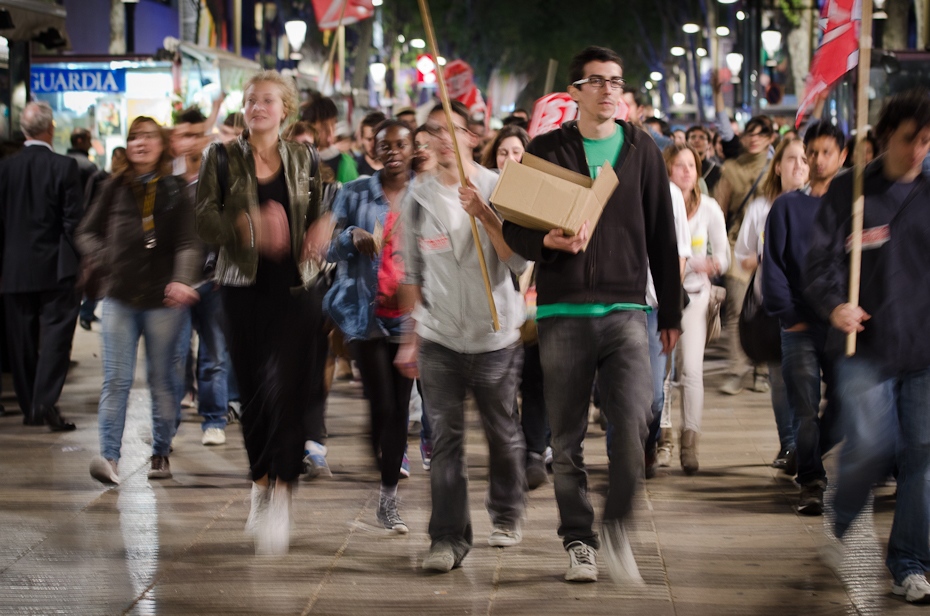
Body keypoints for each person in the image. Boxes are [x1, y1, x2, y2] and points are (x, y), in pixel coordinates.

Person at [503, 46, 682, 585]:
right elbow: (514, 231)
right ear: (576, 92)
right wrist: (547, 239)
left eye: (617, 82)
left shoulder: (642, 151)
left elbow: (662, 236)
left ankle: (618, 526)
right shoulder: (547, 148)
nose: (610, 91)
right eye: (598, 82)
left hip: (627, 309)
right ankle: (578, 539)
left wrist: (671, 308)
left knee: (635, 421)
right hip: (563, 311)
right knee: (567, 438)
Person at [196, 70, 328, 555]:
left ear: (285, 110)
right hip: (241, 288)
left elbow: (321, 205)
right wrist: (244, 223)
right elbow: (203, 219)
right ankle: (260, 482)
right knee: (252, 393)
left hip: (296, 288)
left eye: (267, 100)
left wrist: (323, 226)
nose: (257, 107)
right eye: (251, 99)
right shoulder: (221, 157)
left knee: (291, 392)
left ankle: (284, 495)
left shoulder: (303, 156)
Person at [807, 89, 930, 604]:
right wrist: (835, 304)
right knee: (873, 445)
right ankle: (841, 518)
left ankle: (910, 562)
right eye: (909, 140)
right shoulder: (851, 190)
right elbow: (819, 265)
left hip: (923, 350)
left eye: (926, 141)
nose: (918, 151)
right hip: (865, 349)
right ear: (883, 137)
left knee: (922, 456)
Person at [396, 100, 528, 573]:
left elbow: (518, 262)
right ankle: (448, 538)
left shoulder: (498, 187)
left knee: (502, 434)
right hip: (440, 339)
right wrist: (412, 335)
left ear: (472, 137)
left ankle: (507, 511)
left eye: (450, 128)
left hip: (496, 339)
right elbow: (412, 270)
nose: (439, 137)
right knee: (445, 441)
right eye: (431, 130)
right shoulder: (417, 198)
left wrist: (488, 215)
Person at [77, 115, 201, 483]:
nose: (140, 143)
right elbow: (85, 232)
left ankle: (160, 452)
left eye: (148, 137)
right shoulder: (112, 186)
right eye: (134, 138)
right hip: (119, 299)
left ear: (161, 144)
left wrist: (182, 278)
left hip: (163, 301)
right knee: (116, 380)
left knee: (163, 380)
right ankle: (109, 459)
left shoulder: (176, 188)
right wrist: (105, 258)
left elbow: (189, 241)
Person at [325, 119, 415, 532]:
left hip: (410, 316)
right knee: (382, 406)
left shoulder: (425, 193)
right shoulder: (356, 192)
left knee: (398, 408)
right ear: (374, 150)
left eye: (401, 144)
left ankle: (388, 497)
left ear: (413, 149)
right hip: (365, 313)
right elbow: (327, 243)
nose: (393, 151)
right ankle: (383, 461)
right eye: (385, 145)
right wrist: (352, 237)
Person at [0, 101, 83, 430]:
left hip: (14, 268)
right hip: (57, 268)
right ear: (51, 129)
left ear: (23, 131)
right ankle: (44, 403)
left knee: (20, 342)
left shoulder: (5, 169)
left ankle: (30, 406)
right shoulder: (65, 167)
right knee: (56, 340)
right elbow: (73, 222)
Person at [734, 137, 809, 476]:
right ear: (777, 166)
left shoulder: (819, 205)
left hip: (811, 307)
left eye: (804, 160)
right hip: (773, 308)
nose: (799, 166)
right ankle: (789, 442)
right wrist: (767, 256)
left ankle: (808, 446)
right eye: (791, 159)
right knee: (780, 380)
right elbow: (741, 258)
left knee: (808, 381)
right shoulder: (760, 208)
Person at [481, 124, 548, 487]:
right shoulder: (482, 195)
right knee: (503, 387)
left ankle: (535, 450)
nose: (510, 159)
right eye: (503, 153)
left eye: (517, 153)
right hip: (497, 307)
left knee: (537, 381)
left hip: (536, 308)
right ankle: (514, 448)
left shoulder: (538, 195)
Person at [663, 143, 728, 474]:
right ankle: (663, 436)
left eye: (691, 165)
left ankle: (690, 441)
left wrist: (703, 263)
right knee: (661, 371)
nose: (687, 171)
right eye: (679, 165)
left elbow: (725, 257)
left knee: (690, 370)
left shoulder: (710, 208)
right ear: (668, 169)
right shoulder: (659, 204)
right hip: (660, 295)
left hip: (695, 296)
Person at [173, 106, 232, 447]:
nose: (191, 142)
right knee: (176, 355)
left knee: (214, 355)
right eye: (184, 135)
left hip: (213, 280)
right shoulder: (165, 181)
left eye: (197, 135)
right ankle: (169, 425)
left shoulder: (219, 173)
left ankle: (214, 418)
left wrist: (226, 265)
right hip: (174, 285)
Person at [714, 115, 776, 396]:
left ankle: (761, 370)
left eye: (761, 135)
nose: (755, 139)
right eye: (750, 133)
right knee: (736, 308)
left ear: (770, 139)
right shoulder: (731, 168)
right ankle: (737, 368)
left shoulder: (776, 167)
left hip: (771, 248)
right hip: (736, 246)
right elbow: (719, 209)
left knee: (766, 308)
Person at [302, 96, 359, 184]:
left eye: (333, 125)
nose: (330, 133)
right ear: (309, 126)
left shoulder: (344, 163)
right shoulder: (300, 159)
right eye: (324, 127)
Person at [686, 125, 722, 195]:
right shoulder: (681, 168)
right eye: (693, 137)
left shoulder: (716, 170)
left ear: (709, 144)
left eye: (702, 137)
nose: (697, 140)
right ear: (686, 142)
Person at [355, 111, 387, 177]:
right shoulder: (354, 166)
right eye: (369, 139)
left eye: (376, 139)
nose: (372, 145)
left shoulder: (394, 167)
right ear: (362, 138)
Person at [67, 127, 98, 191]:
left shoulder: (60, 163)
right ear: (79, 141)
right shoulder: (88, 166)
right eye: (88, 140)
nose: (90, 145)